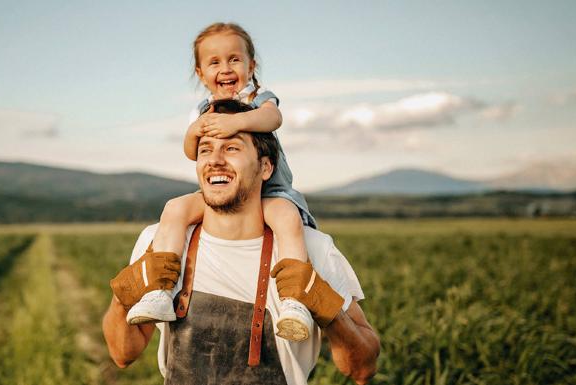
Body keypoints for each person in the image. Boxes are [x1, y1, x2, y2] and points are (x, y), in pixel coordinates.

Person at [103, 100, 380, 385]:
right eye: (205, 150)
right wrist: (124, 296)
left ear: (266, 167)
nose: (215, 160)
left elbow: (362, 369)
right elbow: (123, 354)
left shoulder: (313, 250)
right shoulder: (160, 242)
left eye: (232, 148)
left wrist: (328, 308)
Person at [125, 22, 316, 342]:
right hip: (220, 189)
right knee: (174, 209)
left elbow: (273, 119)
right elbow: (190, 151)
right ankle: (160, 291)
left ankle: (294, 301)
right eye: (214, 62)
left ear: (251, 66)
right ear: (201, 73)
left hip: (270, 191)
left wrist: (236, 121)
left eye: (234, 60)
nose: (225, 68)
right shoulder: (204, 110)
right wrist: (196, 130)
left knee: (286, 217)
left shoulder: (257, 98)